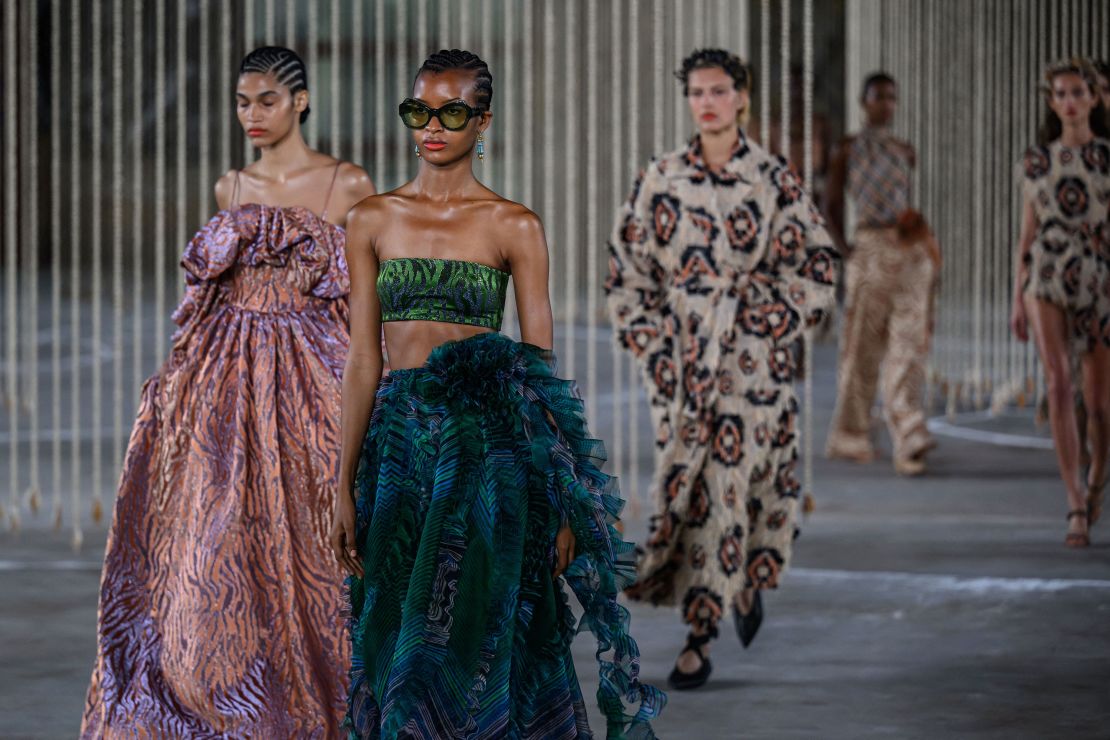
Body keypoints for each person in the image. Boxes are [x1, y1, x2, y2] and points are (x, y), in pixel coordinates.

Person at [330, 49, 663, 738]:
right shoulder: (370, 219)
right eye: (418, 110)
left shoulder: (514, 225)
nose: (432, 126)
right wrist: (339, 484)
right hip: (396, 450)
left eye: (452, 112)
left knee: (478, 627)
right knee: (393, 627)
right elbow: (363, 361)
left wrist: (565, 501)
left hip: (487, 448)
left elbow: (540, 370)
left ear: (483, 121)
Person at [81, 46, 375, 737]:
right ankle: (233, 691)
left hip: (313, 377)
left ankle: (330, 690)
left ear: (300, 102)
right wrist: (176, 380)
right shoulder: (230, 188)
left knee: (314, 534)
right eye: (242, 102)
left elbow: (362, 297)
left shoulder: (349, 184)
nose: (252, 114)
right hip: (224, 380)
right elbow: (208, 300)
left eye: (266, 99)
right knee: (221, 537)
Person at [606, 48, 839, 690]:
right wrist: (654, 348)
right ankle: (728, 587)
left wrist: (764, 324)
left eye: (718, 91)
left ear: (742, 98)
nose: (706, 102)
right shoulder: (661, 178)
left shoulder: (772, 179)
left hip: (750, 370)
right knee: (687, 490)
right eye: (697, 92)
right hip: (680, 371)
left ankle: (698, 635)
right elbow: (627, 274)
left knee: (728, 490)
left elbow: (818, 267)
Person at [1010, 57, 1110, 548]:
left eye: (1078, 93)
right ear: (1052, 102)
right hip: (1047, 269)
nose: (1070, 102)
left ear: (1094, 98)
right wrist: (1016, 297)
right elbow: (1025, 236)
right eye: (1061, 94)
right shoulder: (1035, 161)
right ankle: (1073, 503)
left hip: (1101, 273)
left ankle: (1096, 482)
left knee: (1100, 403)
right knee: (1058, 382)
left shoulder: (1108, 158)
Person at [824, 72, 939, 476]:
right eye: (878, 97)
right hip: (869, 245)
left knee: (909, 342)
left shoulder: (904, 150)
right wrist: (846, 250)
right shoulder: (848, 149)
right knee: (862, 347)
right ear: (864, 101)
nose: (886, 104)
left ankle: (909, 431)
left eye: (891, 97)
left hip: (907, 246)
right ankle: (850, 433)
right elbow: (831, 202)